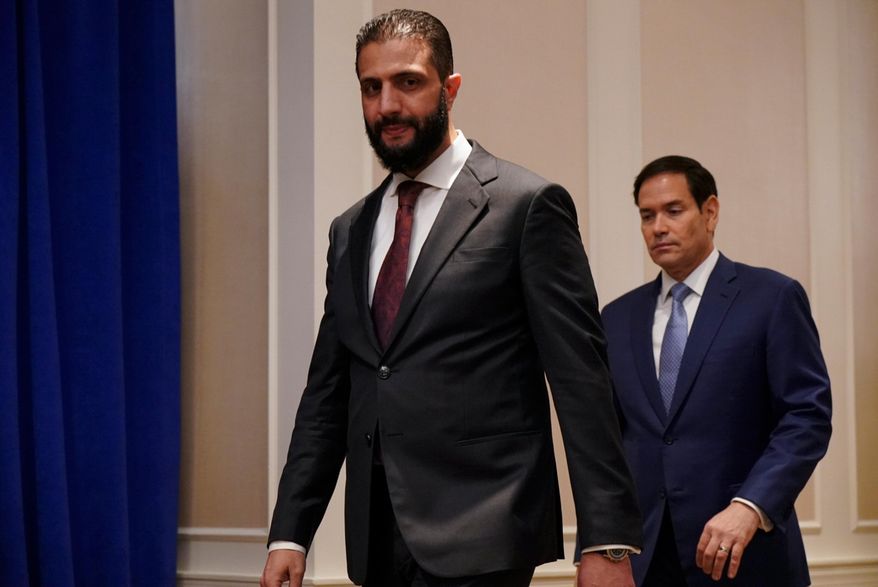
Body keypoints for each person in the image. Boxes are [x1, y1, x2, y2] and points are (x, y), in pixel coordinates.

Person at [260, 8, 642, 587]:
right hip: (375, 535)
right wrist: (291, 531)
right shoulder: (350, 229)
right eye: (371, 87)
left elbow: (582, 382)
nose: (387, 105)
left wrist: (608, 542)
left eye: (407, 82)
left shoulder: (526, 205)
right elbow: (328, 391)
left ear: (450, 88)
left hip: (485, 528)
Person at [601, 155, 832, 586]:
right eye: (646, 216)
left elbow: (806, 417)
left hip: (746, 554)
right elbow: (606, 446)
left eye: (673, 210)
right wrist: (599, 549)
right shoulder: (616, 318)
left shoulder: (772, 297)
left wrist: (751, 506)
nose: (658, 227)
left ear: (710, 212)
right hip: (646, 560)